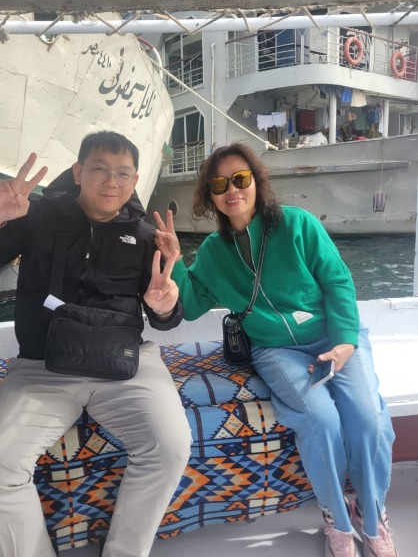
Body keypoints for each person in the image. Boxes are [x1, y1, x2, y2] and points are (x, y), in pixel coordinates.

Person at [154, 142, 398, 557]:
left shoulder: (297, 224)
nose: (232, 190)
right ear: (210, 195)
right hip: (276, 349)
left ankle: (372, 516)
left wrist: (344, 342)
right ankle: (336, 518)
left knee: (368, 419)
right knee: (320, 420)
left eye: (240, 178)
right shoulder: (213, 251)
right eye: (219, 184)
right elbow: (190, 305)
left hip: (333, 334)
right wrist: (174, 261)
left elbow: (338, 282)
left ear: (257, 181)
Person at [0, 130, 192, 557]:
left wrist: (165, 306)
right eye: (99, 170)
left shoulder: (147, 237)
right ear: (78, 172)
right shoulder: (35, 216)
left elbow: (166, 318)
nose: (111, 182)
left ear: (135, 180)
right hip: (42, 367)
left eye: (123, 174)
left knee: (170, 445)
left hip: (126, 364)